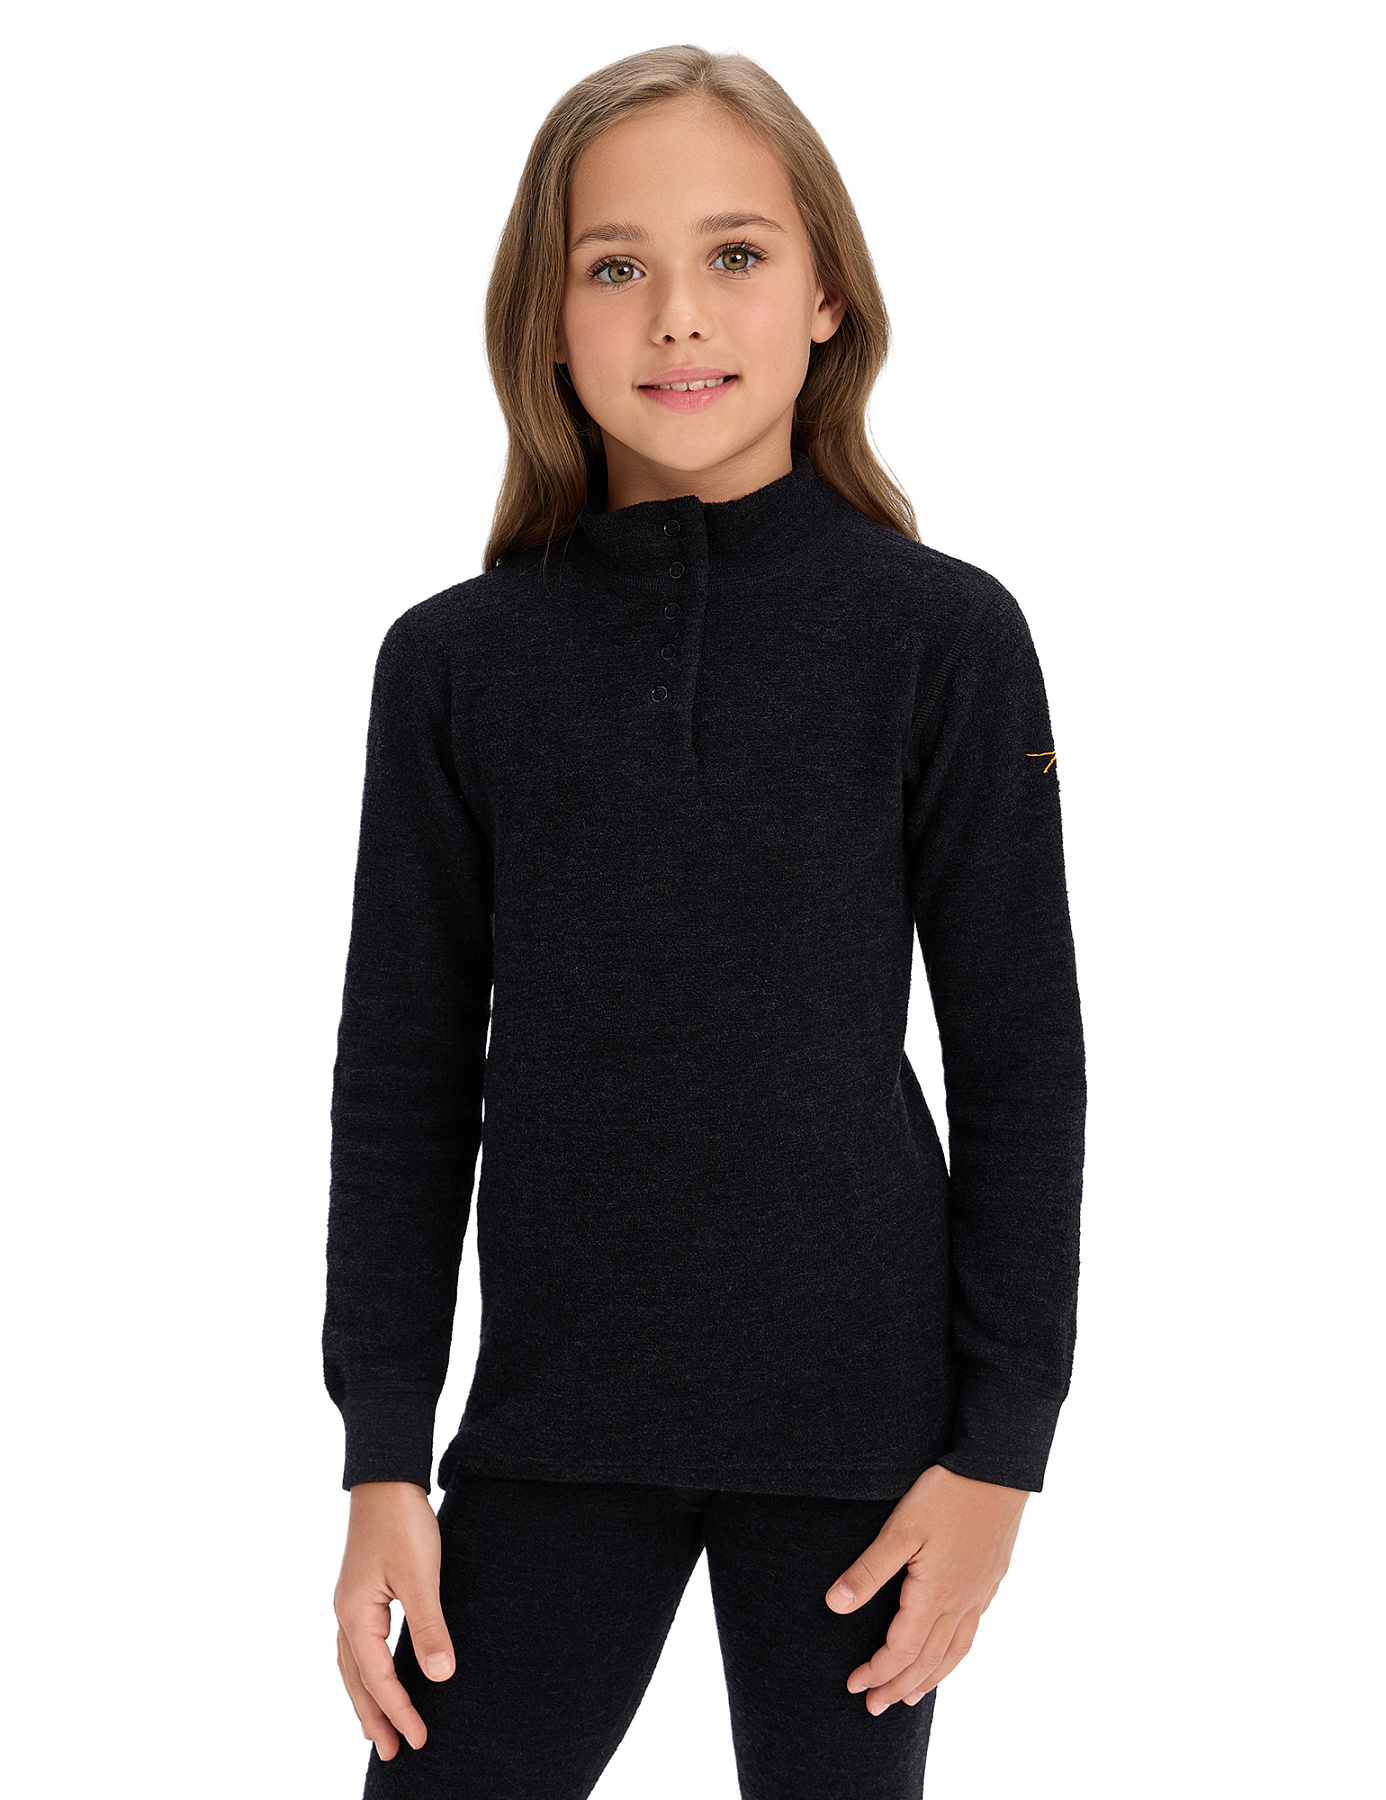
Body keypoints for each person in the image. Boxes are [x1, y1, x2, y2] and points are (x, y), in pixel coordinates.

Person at [323, 43, 1086, 1800]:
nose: (677, 313)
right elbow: (403, 1076)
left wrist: (998, 1456)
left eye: (734, 254)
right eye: (616, 265)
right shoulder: (454, 664)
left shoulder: (942, 640)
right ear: (548, 318)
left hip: (865, 1456)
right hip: (546, 1428)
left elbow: (1022, 1064)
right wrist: (381, 1455)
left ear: (826, 297)